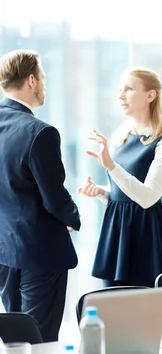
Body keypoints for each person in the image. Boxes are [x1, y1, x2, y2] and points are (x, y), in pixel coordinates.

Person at [0, 49, 81, 342]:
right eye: (44, 78)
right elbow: (54, 197)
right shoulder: (40, 132)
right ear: (31, 80)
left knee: (16, 339)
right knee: (40, 338)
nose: (45, 85)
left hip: (5, 249)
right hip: (40, 253)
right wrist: (72, 216)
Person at [77, 67, 162, 287]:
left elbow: (147, 197)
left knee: (147, 311)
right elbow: (122, 194)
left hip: (147, 237)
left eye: (128, 89)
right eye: (120, 89)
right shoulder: (121, 135)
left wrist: (111, 166)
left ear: (150, 95)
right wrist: (101, 192)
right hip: (117, 233)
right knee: (113, 309)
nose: (120, 96)